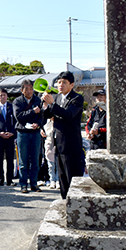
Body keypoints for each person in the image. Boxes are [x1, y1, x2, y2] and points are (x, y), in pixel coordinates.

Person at [41, 71, 85, 199]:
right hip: (58, 143)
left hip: (71, 144)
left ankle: (75, 205)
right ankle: (64, 202)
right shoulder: (58, 97)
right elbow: (48, 115)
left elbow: (69, 115)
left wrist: (52, 105)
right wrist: (45, 105)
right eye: (59, 82)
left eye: (64, 82)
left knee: (72, 177)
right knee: (62, 178)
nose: (60, 85)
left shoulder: (77, 98)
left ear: (71, 85)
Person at [12, 79, 43, 193]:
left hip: (35, 133)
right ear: (22, 90)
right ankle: (23, 184)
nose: (29, 91)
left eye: (31, 88)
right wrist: (32, 111)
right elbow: (19, 117)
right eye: (27, 89)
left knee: (35, 160)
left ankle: (34, 184)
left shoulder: (38, 100)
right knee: (23, 161)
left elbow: (42, 116)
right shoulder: (17, 101)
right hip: (23, 133)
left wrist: (38, 124)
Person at [0, 88, 17, 186]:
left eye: (4, 95)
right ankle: (0, 179)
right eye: (1, 95)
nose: (3, 97)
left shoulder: (12, 106)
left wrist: (12, 133)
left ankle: (10, 180)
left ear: (7, 96)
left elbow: (16, 122)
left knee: (10, 159)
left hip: (10, 137)